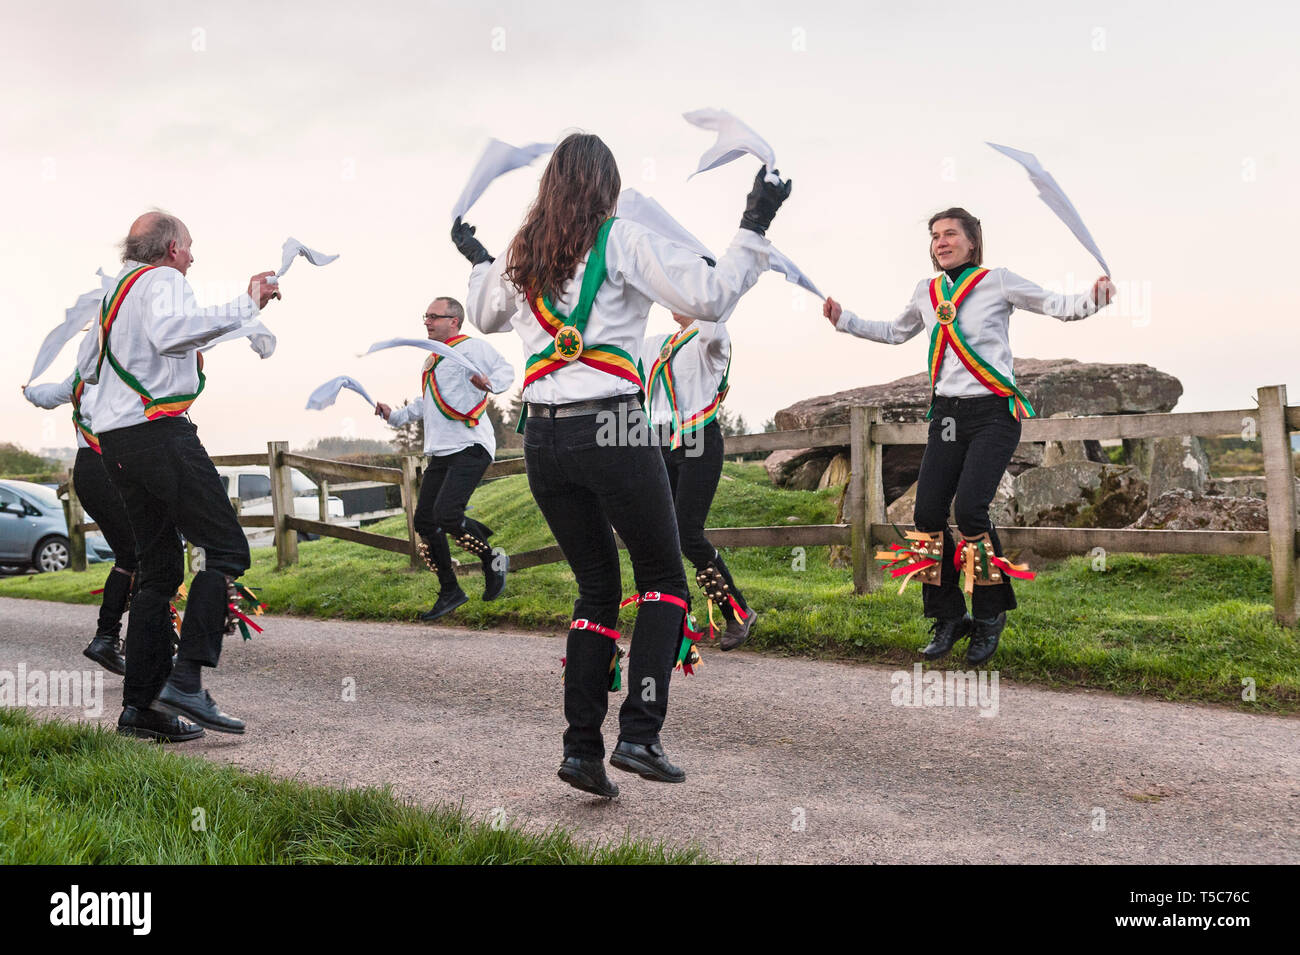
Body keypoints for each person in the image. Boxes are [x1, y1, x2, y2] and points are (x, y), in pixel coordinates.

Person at [459, 132, 790, 798]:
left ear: (549, 184)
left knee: (594, 590)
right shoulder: (622, 240)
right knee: (664, 575)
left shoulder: (521, 256)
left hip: (542, 441)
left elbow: (481, 313)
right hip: (611, 424)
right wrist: (755, 220)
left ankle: (581, 749)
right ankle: (639, 733)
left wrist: (479, 259)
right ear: (606, 187)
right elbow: (712, 294)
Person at [824, 207, 1114, 666]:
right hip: (947, 415)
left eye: (950, 234)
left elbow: (1057, 305)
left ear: (972, 242)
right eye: (936, 236)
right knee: (927, 512)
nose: (941, 242)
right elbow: (895, 333)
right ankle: (948, 617)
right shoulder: (927, 291)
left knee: (971, 510)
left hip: (994, 413)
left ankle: (989, 616)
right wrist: (845, 319)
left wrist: (1093, 298)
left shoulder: (997, 281)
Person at [78, 210, 279, 742]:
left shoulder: (119, 292)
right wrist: (247, 301)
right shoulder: (165, 281)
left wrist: (243, 321)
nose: (192, 256)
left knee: (160, 568)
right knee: (229, 550)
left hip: (116, 444)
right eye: (189, 246)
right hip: (159, 435)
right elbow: (171, 337)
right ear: (170, 248)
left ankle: (141, 708)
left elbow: (157, 349)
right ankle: (186, 679)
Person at [375, 296, 515, 620]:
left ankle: (493, 559)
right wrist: (392, 415)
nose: (426, 322)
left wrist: (489, 384)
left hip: (470, 444)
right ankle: (451, 589)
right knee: (425, 520)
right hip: (440, 449)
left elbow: (505, 371)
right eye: (425, 316)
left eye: (433, 316)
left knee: (447, 515)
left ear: (454, 321)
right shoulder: (432, 359)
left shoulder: (473, 349)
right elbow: (426, 404)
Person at [642, 310, 756, 650]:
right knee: (666, 535)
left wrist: (706, 294)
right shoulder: (660, 343)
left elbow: (714, 320)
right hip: (665, 442)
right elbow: (619, 341)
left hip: (700, 441)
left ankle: (737, 613)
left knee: (689, 534)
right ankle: (676, 620)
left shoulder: (712, 337)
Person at [23, 349, 137, 676]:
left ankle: (117, 637)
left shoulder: (80, 377)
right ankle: (128, 638)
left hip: (86, 472)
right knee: (143, 554)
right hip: (113, 467)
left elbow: (46, 397)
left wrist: (29, 390)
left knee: (131, 556)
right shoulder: (127, 371)